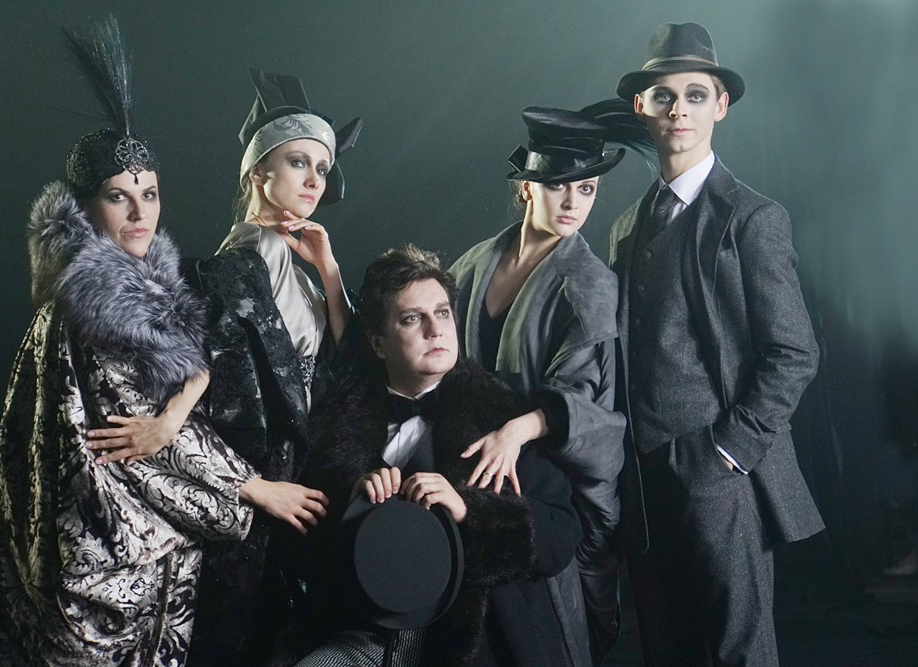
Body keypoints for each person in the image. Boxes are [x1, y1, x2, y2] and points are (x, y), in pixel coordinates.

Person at [0, 17, 269, 666]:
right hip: (99, 579)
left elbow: (178, 390)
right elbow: (135, 436)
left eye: (150, 194)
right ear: (84, 209)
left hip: (139, 576)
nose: (141, 213)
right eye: (119, 196)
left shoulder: (136, 291)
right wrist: (252, 488)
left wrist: (178, 404)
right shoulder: (93, 305)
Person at [607, 22, 825, 666]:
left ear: (720, 106)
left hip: (719, 474)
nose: (679, 109)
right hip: (641, 476)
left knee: (737, 651)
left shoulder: (753, 218)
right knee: (664, 647)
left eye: (695, 95)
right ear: (641, 106)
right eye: (664, 95)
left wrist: (728, 451)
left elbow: (794, 353)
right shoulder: (626, 225)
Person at [295, 245, 582, 666]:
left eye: (443, 313)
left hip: (471, 637)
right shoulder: (335, 421)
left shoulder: (502, 416)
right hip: (365, 633)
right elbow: (302, 552)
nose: (435, 330)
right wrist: (351, 506)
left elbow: (562, 534)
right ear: (377, 343)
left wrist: (468, 512)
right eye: (412, 319)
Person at [450, 107, 645, 665]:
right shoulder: (475, 263)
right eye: (558, 185)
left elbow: (585, 398)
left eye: (586, 189)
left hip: (541, 475)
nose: (572, 203)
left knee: (536, 634)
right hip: (466, 459)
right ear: (526, 187)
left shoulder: (589, 283)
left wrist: (517, 431)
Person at [186, 69, 362, 665]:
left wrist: (329, 270)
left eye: (322, 168)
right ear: (259, 172)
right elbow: (222, 401)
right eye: (298, 162)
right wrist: (259, 486)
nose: (314, 180)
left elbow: (349, 365)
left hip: (298, 475)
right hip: (262, 484)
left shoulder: (293, 259)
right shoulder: (248, 256)